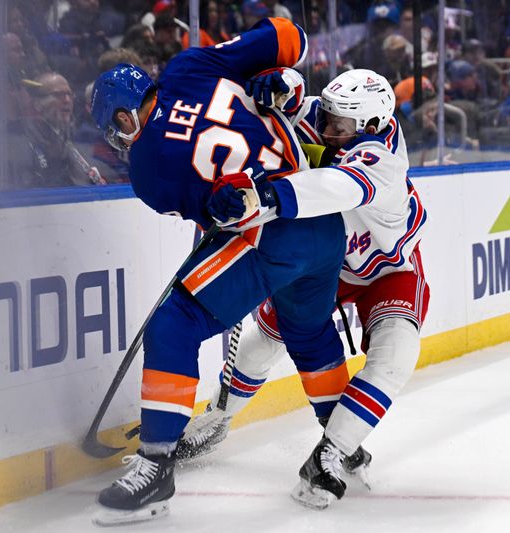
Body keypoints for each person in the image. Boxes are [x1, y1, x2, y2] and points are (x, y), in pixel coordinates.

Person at [89, 18, 349, 525]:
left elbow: (224, 215)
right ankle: (343, 443)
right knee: (308, 331)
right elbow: (289, 35)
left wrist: (220, 204)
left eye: (115, 130)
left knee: (175, 323)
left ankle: (156, 463)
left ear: (123, 119)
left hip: (275, 232)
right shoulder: (190, 65)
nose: (120, 141)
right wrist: (271, 77)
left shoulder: (145, 171)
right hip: (325, 221)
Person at [178, 68, 430, 510]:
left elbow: (335, 186)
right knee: (263, 341)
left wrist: (266, 198)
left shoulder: (383, 162)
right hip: (324, 260)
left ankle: (328, 455)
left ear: (371, 126)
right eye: (330, 119)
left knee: (398, 354)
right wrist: (282, 84)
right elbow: (296, 104)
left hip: (385, 268)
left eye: (339, 126)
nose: (328, 129)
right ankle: (218, 418)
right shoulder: (340, 121)